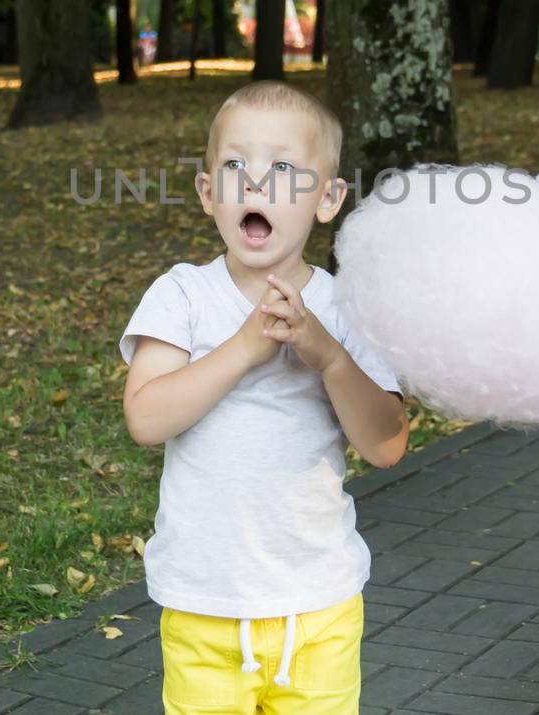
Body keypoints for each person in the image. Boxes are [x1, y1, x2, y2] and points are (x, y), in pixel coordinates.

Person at [119, 80, 408, 714]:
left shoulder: (347, 306)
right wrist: (246, 347)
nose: (255, 183)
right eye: (234, 166)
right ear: (207, 194)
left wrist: (328, 355)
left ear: (327, 199)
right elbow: (145, 417)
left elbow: (386, 444)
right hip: (205, 606)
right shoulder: (184, 296)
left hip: (321, 607)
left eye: (282, 167)